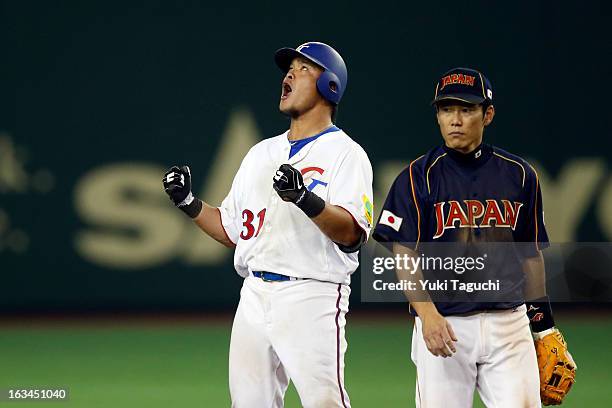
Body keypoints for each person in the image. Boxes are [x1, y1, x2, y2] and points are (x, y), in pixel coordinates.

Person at [163, 42, 373, 408]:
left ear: (330, 86)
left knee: (325, 403)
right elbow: (232, 230)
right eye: (288, 68)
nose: (289, 74)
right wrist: (188, 202)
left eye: (303, 68)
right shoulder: (260, 153)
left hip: (312, 294)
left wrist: (305, 199)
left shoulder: (347, 154)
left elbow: (352, 234)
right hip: (254, 295)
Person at [372, 67, 575, 407]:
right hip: (445, 324)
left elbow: (530, 256)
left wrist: (544, 325)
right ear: (437, 115)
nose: (455, 119)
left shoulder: (520, 175)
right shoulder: (416, 177)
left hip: (509, 325)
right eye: (446, 109)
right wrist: (427, 314)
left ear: (488, 114)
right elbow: (403, 252)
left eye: (466, 109)